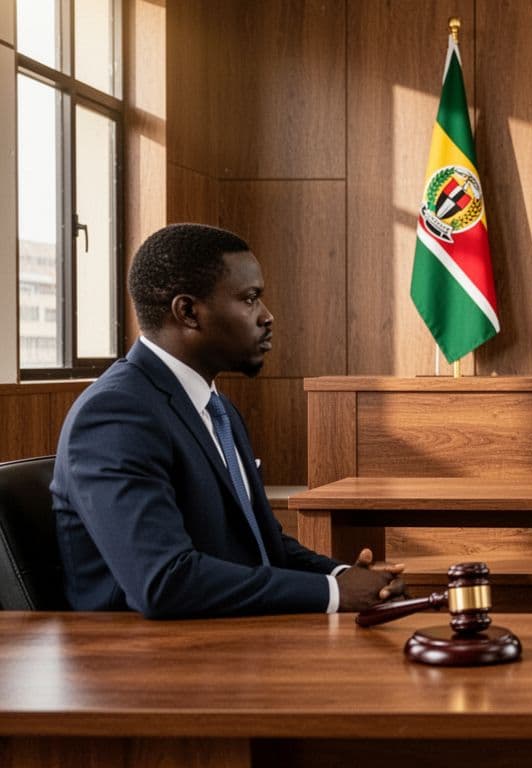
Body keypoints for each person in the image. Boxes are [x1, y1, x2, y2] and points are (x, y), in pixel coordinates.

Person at [52, 223, 404, 618]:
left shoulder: (218, 409)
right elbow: (165, 581)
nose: (267, 317)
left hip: (229, 639)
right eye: (250, 299)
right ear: (188, 312)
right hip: (149, 661)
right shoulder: (115, 416)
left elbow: (262, 545)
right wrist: (332, 592)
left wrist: (343, 576)